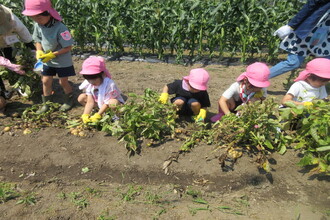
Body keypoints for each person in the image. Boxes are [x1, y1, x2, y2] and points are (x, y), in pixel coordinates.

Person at [22, 0, 75, 113]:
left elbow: (68, 47)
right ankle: (46, 104)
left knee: (63, 82)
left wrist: (53, 54)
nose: (37, 21)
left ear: (48, 14)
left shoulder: (61, 28)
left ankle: (69, 100)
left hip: (62, 61)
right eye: (34, 19)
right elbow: (38, 40)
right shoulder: (38, 25)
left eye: (39, 18)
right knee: (45, 81)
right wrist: (39, 51)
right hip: (47, 60)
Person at [270, 0, 330, 79]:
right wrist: (291, 25)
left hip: (326, 38)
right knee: (293, 62)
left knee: (325, 66)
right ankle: (254, 79)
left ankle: (315, 89)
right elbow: (310, 5)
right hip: (309, 32)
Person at [0, 4, 35, 104]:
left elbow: (23, 32)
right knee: (7, 64)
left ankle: (18, 83)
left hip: (8, 41)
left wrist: (32, 49)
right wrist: (6, 63)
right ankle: (2, 91)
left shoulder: (9, 17)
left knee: (10, 57)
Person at [78, 56, 125, 123]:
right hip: (99, 103)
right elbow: (90, 102)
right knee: (81, 97)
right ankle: (97, 110)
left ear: (102, 74)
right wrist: (85, 114)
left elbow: (107, 103)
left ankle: (116, 115)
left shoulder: (109, 84)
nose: (91, 82)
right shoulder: (89, 84)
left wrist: (98, 115)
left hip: (109, 105)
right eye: (88, 79)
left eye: (94, 79)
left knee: (112, 103)